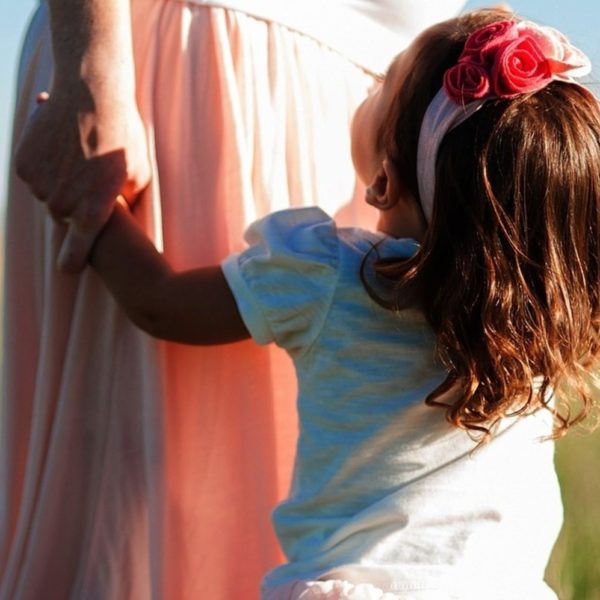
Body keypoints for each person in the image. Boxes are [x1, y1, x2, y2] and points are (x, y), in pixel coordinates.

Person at [43, 8, 599, 599]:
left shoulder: (330, 275)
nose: (369, 86)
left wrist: (89, 197)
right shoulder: (542, 331)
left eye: (383, 81)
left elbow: (161, 304)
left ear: (384, 183)